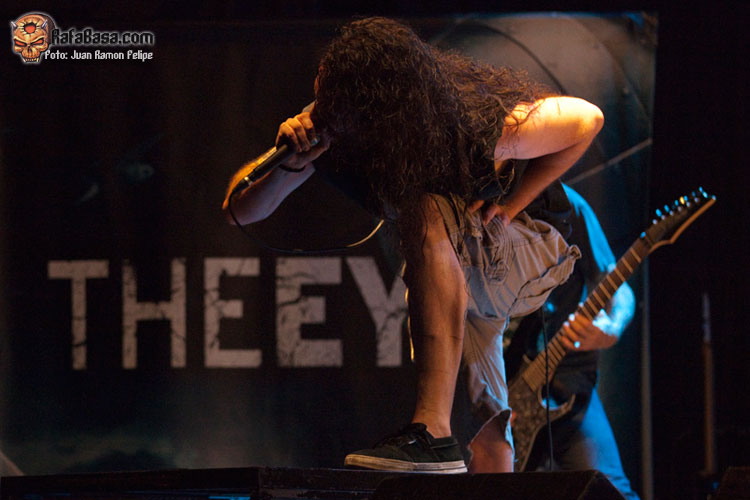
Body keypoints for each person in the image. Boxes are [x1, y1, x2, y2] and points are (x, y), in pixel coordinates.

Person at [222, 17, 603, 473]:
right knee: (484, 421)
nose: (327, 114)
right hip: (465, 254)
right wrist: (291, 163)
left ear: (383, 113)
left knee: (426, 210)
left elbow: (587, 118)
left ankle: (432, 432)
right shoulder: (333, 127)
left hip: (533, 244)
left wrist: (511, 204)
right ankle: (477, 464)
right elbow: (241, 211)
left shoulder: (472, 124)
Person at [504, 184, 639, 498]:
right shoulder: (481, 205)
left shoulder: (568, 205)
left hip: (568, 385)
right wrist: (491, 401)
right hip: (504, 392)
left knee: (610, 491)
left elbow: (618, 288)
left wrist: (612, 327)